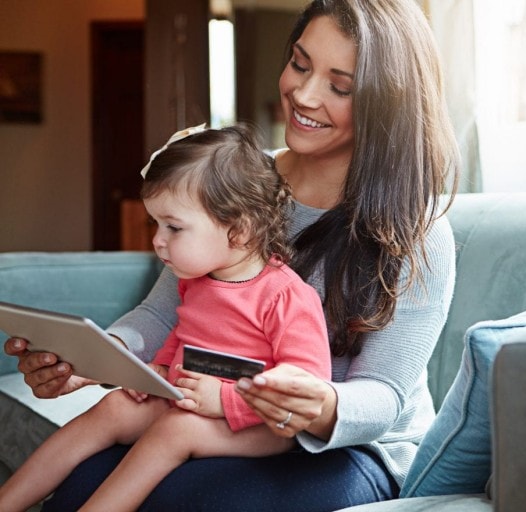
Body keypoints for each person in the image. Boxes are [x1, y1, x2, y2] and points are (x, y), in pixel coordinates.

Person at [4, 0, 460, 510]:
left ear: (387, 103)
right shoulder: (241, 181)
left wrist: (319, 400)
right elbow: (164, 309)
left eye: (340, 86)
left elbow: (384, 395)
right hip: (208, 410)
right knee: (79, 488)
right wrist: (101, 356)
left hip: (345, 447)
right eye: (300, 63)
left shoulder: (414, 228)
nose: (303, 95)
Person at [0, 124, 332, 512]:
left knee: (177, 429)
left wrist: (226, 399)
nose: (158, 239)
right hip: (191, 400)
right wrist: (157, 368)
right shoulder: (196, 281)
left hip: (264, 427)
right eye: (156, 224)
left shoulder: (286, 296)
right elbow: (183, 337)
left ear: (239, 231)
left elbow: (304, 388)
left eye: (174, 227)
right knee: (115, 407)